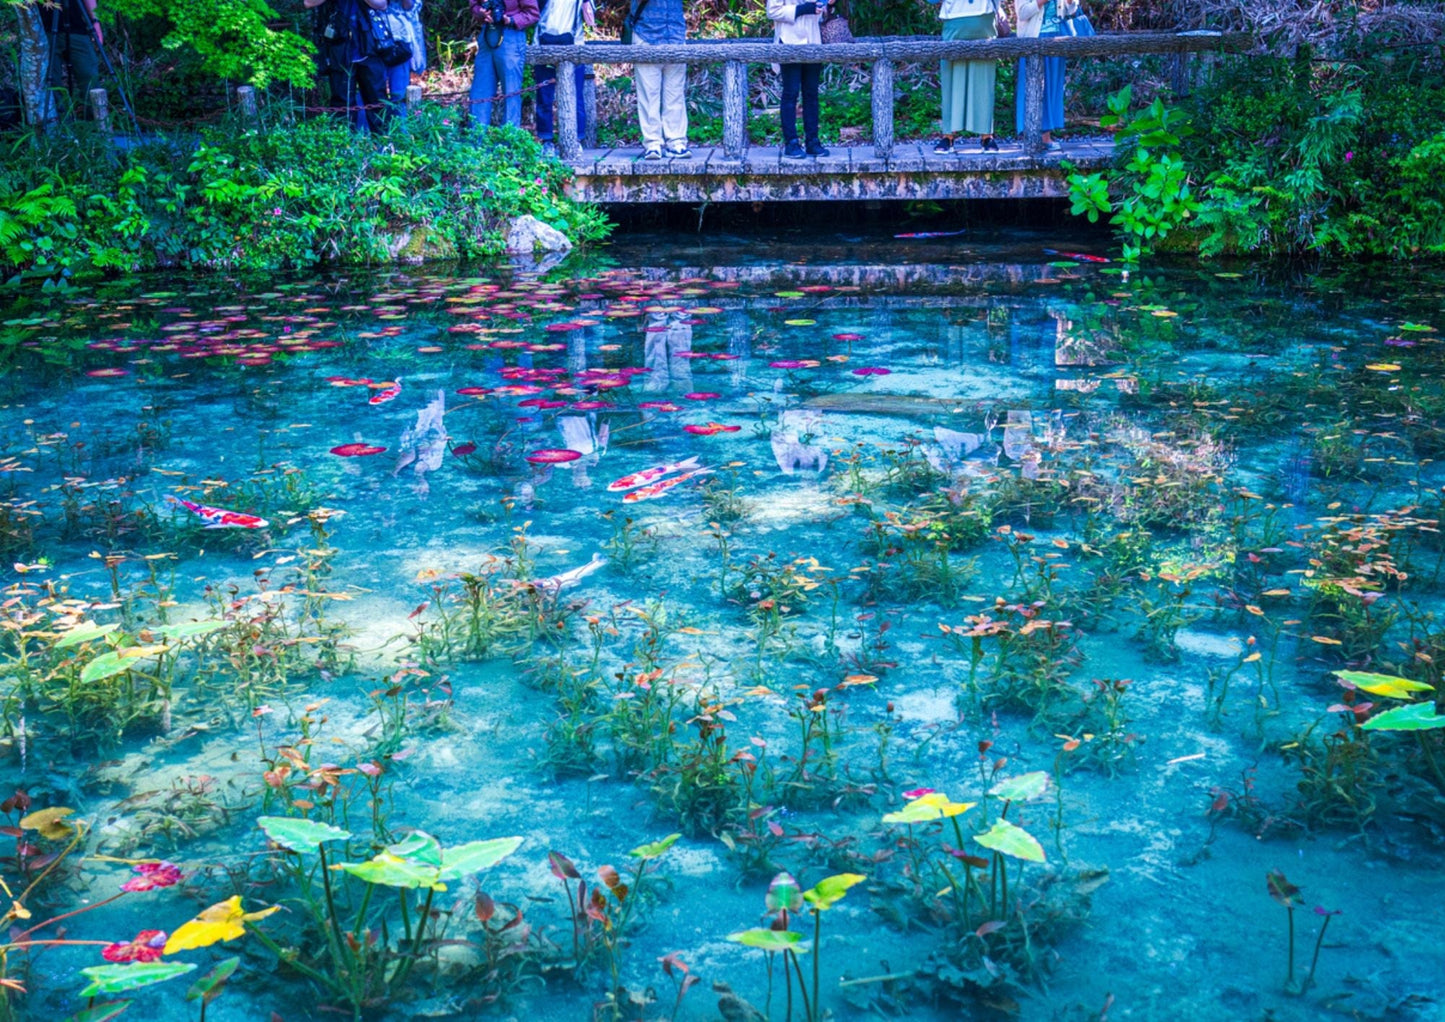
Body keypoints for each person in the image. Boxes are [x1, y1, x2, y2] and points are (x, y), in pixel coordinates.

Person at [307, 0, 391, 135]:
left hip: (369, 47)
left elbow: (382, 4)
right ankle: (344, 149)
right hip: (338, 48)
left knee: (377, 99)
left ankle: (385, 147)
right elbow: (308, 3)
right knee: (341, 103)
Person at [932, 0, 998, 154]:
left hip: (983, 19)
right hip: (954, 20)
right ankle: (948, 135)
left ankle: (987, 135)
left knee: (984, 80)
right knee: (952, 80)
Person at [767, 0, 829, 160]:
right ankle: (791, 143)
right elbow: (772, 11)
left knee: (811, 94)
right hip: (789, 40)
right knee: (790, 93)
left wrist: (826, 5)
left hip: (813, 41)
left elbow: (821, 14)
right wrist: (803, 9)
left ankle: (813, 142)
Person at [628, 0, 690, 160]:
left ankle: (676, 142)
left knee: (675, 93)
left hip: (675, 34)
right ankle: (652, 143)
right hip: (646, 34)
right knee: (648, 94)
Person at [1015, 0, 1077, 151]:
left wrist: (1070, 2)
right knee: (1031, 89)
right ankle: (1030, 135)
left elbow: (1072, 10)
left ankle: (1046, 136)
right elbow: (1022, 13)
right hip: (1033, 39)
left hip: (1058, 40)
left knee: (1053, 89)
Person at [535, 0, 594, 155]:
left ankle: (576, 139)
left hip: (574, 43)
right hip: (542, 42)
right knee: (544, 96)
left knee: (576, 97)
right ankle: (546, 140)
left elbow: (591, 19)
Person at [469, 0, 539, 129]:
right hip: (487, 34)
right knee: (480, 91)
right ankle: (475, 142)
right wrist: (482, 13)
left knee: (511, 92)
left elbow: (532, 13)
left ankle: (509, 142)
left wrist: (510, 20)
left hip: (511, 35)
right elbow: (474, 6)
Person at [40, 0, 101, 119]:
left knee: (89, 75)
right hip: (44, 29)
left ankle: (96, 122)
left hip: (77, 28)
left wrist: (95, 22)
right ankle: (61, 124)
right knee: (51, 80)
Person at [382, 0, 420, 119]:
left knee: (399, 94)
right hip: (369, 39)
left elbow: (410, 6)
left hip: (399, 40)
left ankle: (400, 133)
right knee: (371, 92)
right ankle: (366, 134)